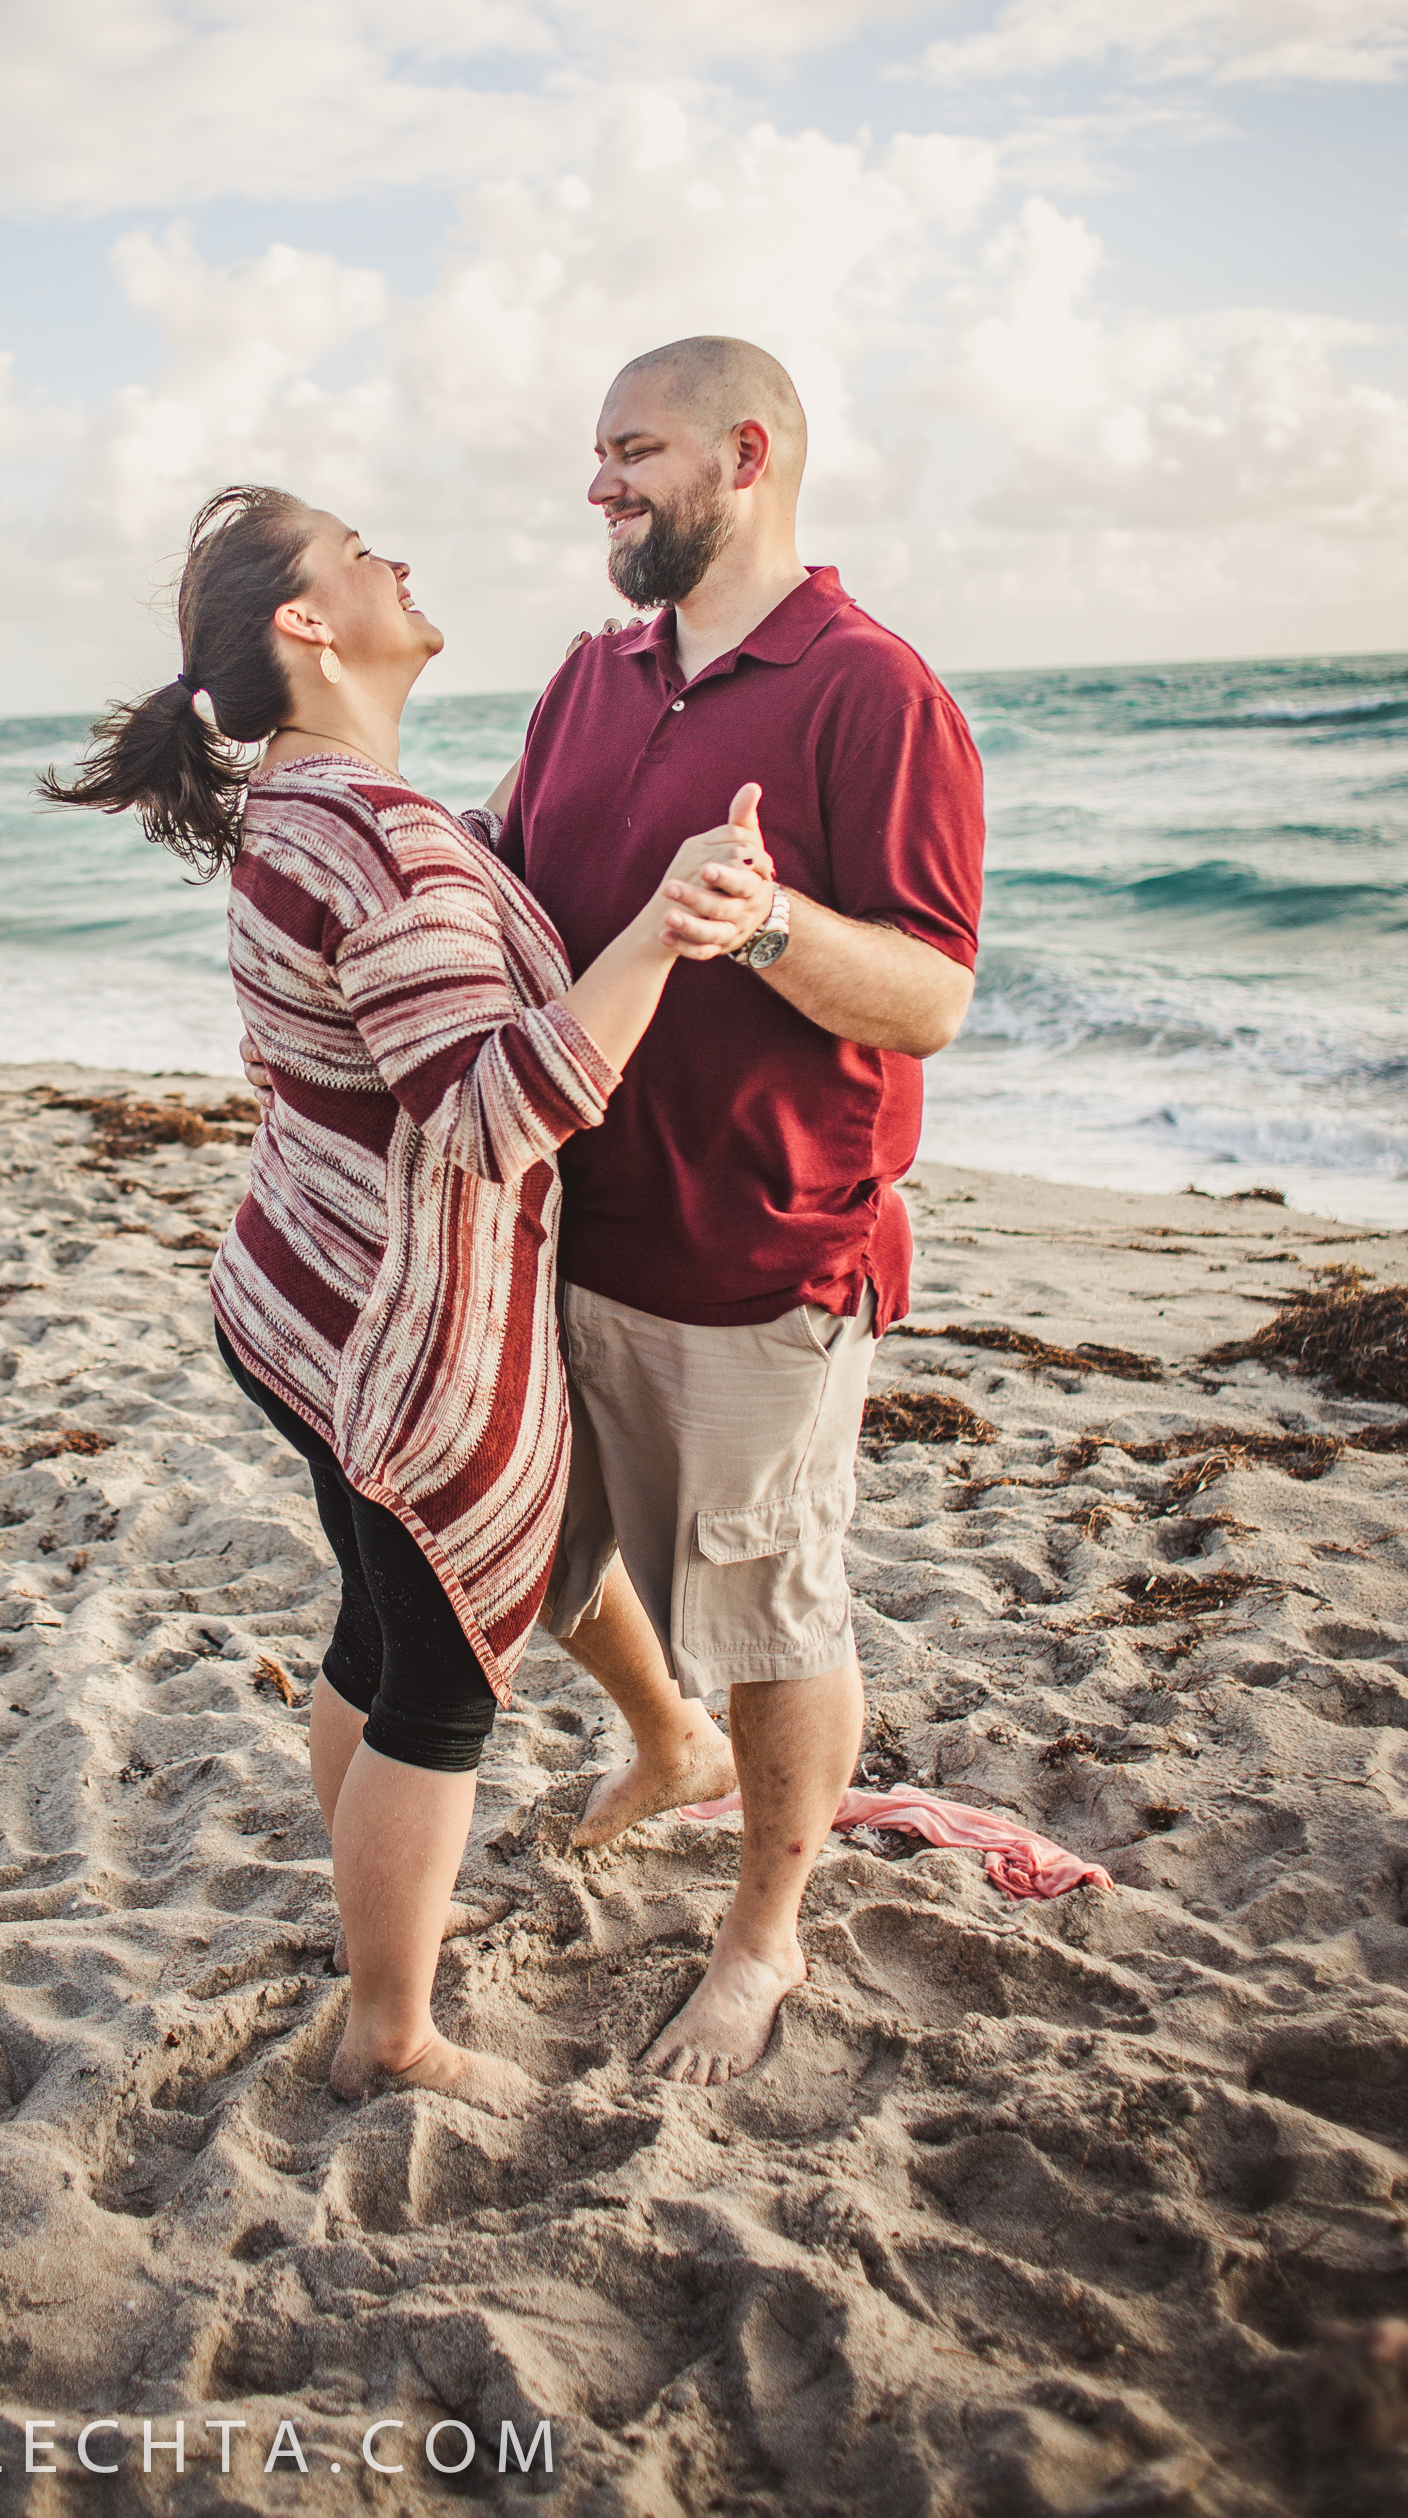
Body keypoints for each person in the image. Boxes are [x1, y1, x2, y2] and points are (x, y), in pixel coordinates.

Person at [44, 485, 772, 2113]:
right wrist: (667, 922)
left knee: (380, 1636)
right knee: (435, 1682)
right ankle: (395, 2033)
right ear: (309, 625)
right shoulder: (369, 829)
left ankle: (487, 1863)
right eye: (361, 555)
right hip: (395, 1326)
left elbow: (439, 947)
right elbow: (487, 1106)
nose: (398, 561)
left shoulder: (327, 807)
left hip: (301, 1295)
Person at [478, 335, 986, 2086]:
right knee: (531, 1575)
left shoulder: (871, 690)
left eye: (632, 450)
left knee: (776, 1627)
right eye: (598, 455)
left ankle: (764, 1932)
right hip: (558, 1236)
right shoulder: (588, 680)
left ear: (746, 452)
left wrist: (767, 924)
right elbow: (514, 884)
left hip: (762, 1261)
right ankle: (663, 1741)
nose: (599, 484)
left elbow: (928, 999)